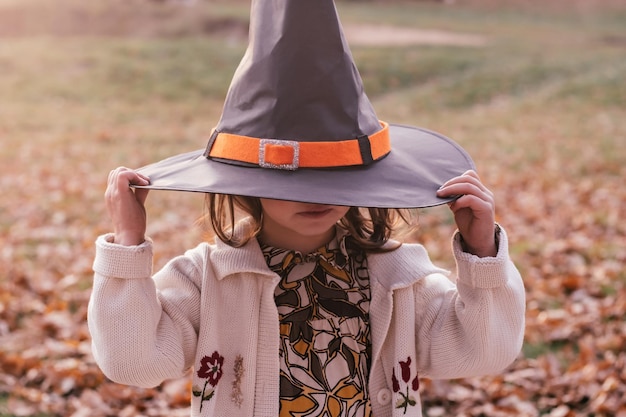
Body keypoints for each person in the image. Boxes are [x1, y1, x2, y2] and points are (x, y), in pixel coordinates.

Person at [88, 1, 525, 416]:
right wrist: (128, 247)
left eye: (333, 177)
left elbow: (482, 351)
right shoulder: (208, 281)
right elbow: (134, 362)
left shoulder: (400, 278)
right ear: (245, 183)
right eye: (291, 180)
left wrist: (482, 252)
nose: (316, 196)